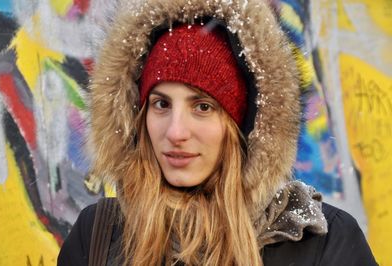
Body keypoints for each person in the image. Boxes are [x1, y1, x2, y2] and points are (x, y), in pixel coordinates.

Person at [58, 0, 377, 265]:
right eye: (161, 104)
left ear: (240, 124)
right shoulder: (97, 236)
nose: (176, 131)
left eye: (203, 107)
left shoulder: (322, 243)